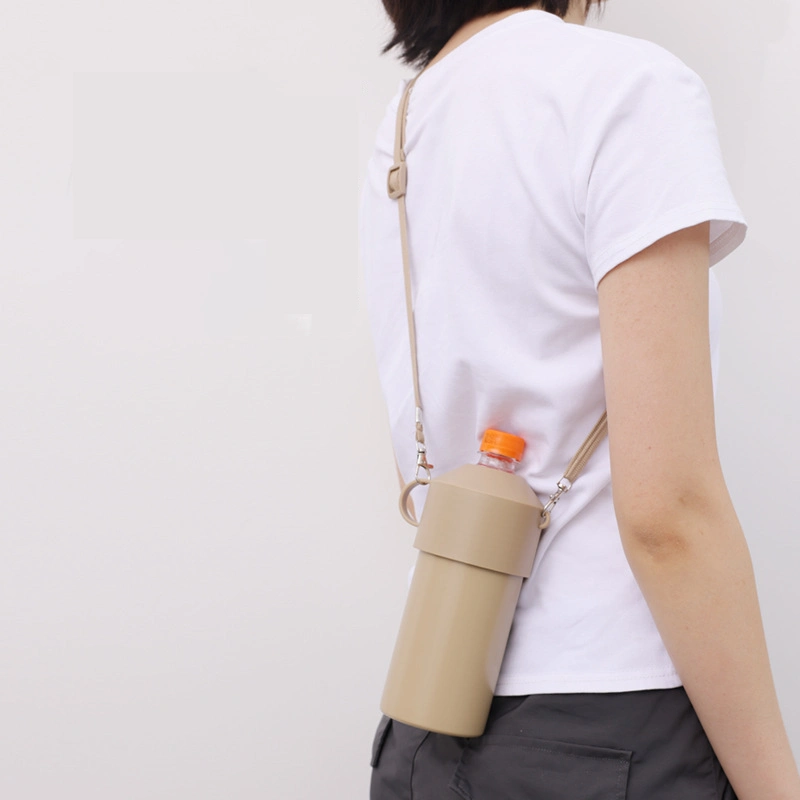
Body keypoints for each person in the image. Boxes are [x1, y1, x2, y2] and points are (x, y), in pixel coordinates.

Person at [358, 1, 800, 798]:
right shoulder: (625, 87)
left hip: (427, 731)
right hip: (609, 733)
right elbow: (667, 517)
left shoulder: (401, 129)